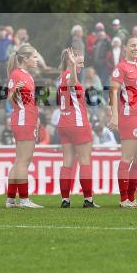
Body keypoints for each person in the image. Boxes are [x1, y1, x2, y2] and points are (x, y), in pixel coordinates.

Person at [109, 20, 137, 208]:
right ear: (125, 48)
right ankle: (123, 199)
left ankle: (132, 197)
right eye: (133, 45)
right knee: (126, 158)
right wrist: (114, 115)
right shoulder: (121, 67)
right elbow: (112, 91)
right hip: (130, 116)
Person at [56, 48, 98, 208]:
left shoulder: (62, 76)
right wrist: (73, 66)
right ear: (70, 61)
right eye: (79, 62)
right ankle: (88, 200)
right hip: (78, 124)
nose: (82, 65)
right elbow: (72, 83)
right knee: (85, 161)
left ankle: (65, 200)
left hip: (64, 123)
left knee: (67, 162)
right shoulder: (69, 75)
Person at [4, 43, 43, 209]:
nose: (36, 60)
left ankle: (11, 199)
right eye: (34, 57)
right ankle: (24, 199)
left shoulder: (27, 75)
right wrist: (15, 92)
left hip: (28, 119)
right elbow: (9, 98)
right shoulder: (17, 74)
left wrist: (37, 117)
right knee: (23, 161)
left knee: (19, 161)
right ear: (25, 59)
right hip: (23, 120)